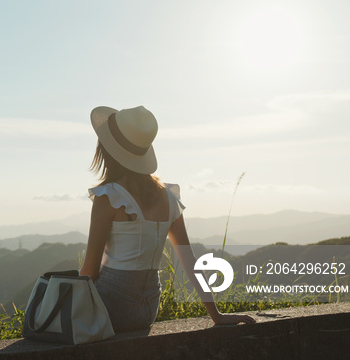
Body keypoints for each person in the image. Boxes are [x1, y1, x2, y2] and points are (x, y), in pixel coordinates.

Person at [79, 105, 255, 332]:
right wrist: (216, 315)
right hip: (148, 309)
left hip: (114, 307)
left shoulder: (109, 197)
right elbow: (189, 261)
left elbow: (90, 271)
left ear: (107, 150)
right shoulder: (169, 197)